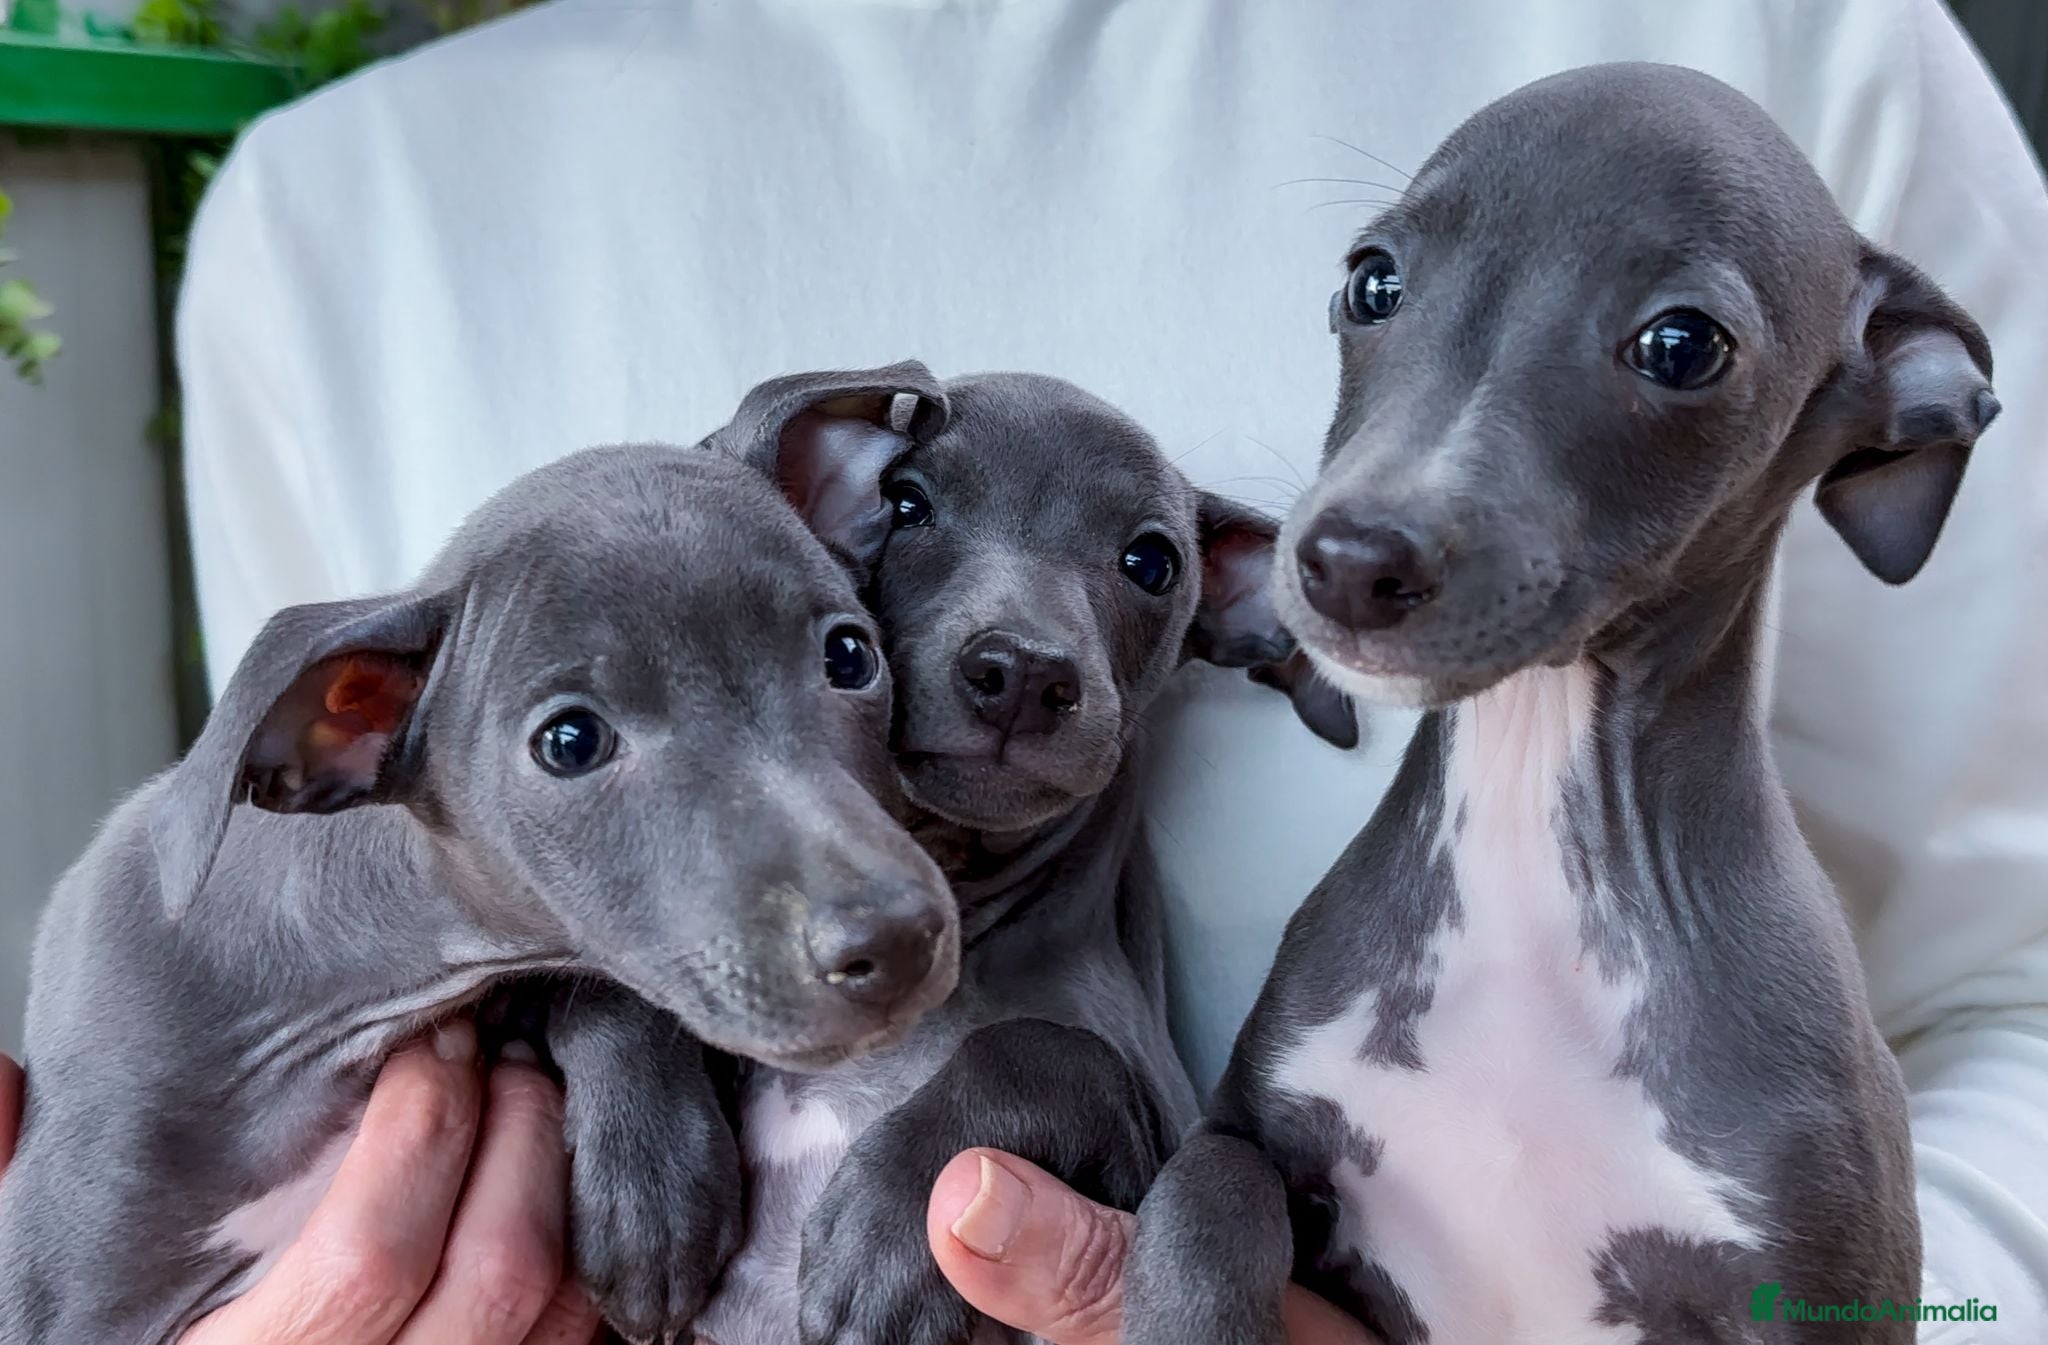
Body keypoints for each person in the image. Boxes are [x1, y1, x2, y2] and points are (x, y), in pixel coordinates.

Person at [7, 0, 2045, 1340]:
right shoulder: (329, 215)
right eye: (892, 530)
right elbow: (397, 971)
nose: (1008, 645)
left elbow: (2007, 1003)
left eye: (1148, 571)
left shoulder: (1789, 50)